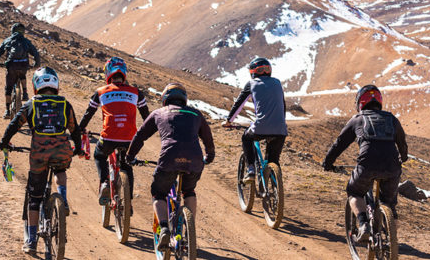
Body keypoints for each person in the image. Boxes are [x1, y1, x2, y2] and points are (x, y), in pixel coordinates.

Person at [0, 66, 84, 254]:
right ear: (56, 85)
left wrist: (5, 142)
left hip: (39, 153)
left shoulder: (32, 103)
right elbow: (75, 129)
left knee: (34, 199)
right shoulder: (65, 104)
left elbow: (15, 124)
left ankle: (31, 240)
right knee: (60, 170)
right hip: (62, 150)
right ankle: (62, 197)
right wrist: (77, 148)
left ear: (36, 86)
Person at [126, 83, 215, 251]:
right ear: (184, 99)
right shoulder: (196, 114)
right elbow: (208, 138)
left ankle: (165, 228)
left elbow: (140, 136)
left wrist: (130, 157)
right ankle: (189, 232)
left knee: (158, 193)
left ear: (165, 99)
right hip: (194, 160)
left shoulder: (158, 113)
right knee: (189, 191)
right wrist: (209, 156)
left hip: (169, 159)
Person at [322, 84, 408, 242]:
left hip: (367, 164)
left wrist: (328, 162)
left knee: (354, 192)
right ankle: (391, 240)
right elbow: (402, 143)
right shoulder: (391, 119)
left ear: (360, 103)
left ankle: (363, 225)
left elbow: (339, 143)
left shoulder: (358, 119)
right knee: (389, 203)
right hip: (392, 166)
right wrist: (404, 157)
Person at [79, 56, 150, 206]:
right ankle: (128, 204)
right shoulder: (136, 92)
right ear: (124, 73)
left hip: (108, 138)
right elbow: (147, 118)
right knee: (127, 165)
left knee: (99, 156)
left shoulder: (100, 92)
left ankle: (104, 183)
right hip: (130, 139)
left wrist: (80, 129)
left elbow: (88, 113)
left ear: (108, 74)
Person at [223, 57, 287, 183]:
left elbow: (239, 104)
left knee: (246, 138)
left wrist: (229, 121)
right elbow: (282, 105)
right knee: (273, 160)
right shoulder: (277, 82)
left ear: (253, 72)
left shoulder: (251, 84)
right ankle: (275, 188)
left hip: (261, 127)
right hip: (280, 129)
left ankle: (251, 170)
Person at [0, 22, 41, 119]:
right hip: (24, 65)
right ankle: (25, 92)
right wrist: (36, 64)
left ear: (12, 31)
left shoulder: (8, 40)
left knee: (9, 88)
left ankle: (7, 111)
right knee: (22, 74)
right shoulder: (26, 41)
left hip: (11, 65)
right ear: (23, 32)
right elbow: (35, 52)